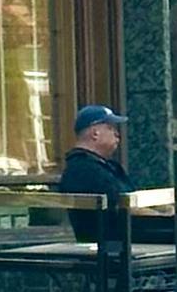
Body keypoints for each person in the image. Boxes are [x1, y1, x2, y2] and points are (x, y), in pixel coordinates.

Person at [56, 104, 133, 243]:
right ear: (95, 133)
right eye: (110, 128)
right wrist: (160, 216)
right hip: (111, 250)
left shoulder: (108, 165)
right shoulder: (82, 169)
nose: (117, 134)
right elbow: (123, 206)